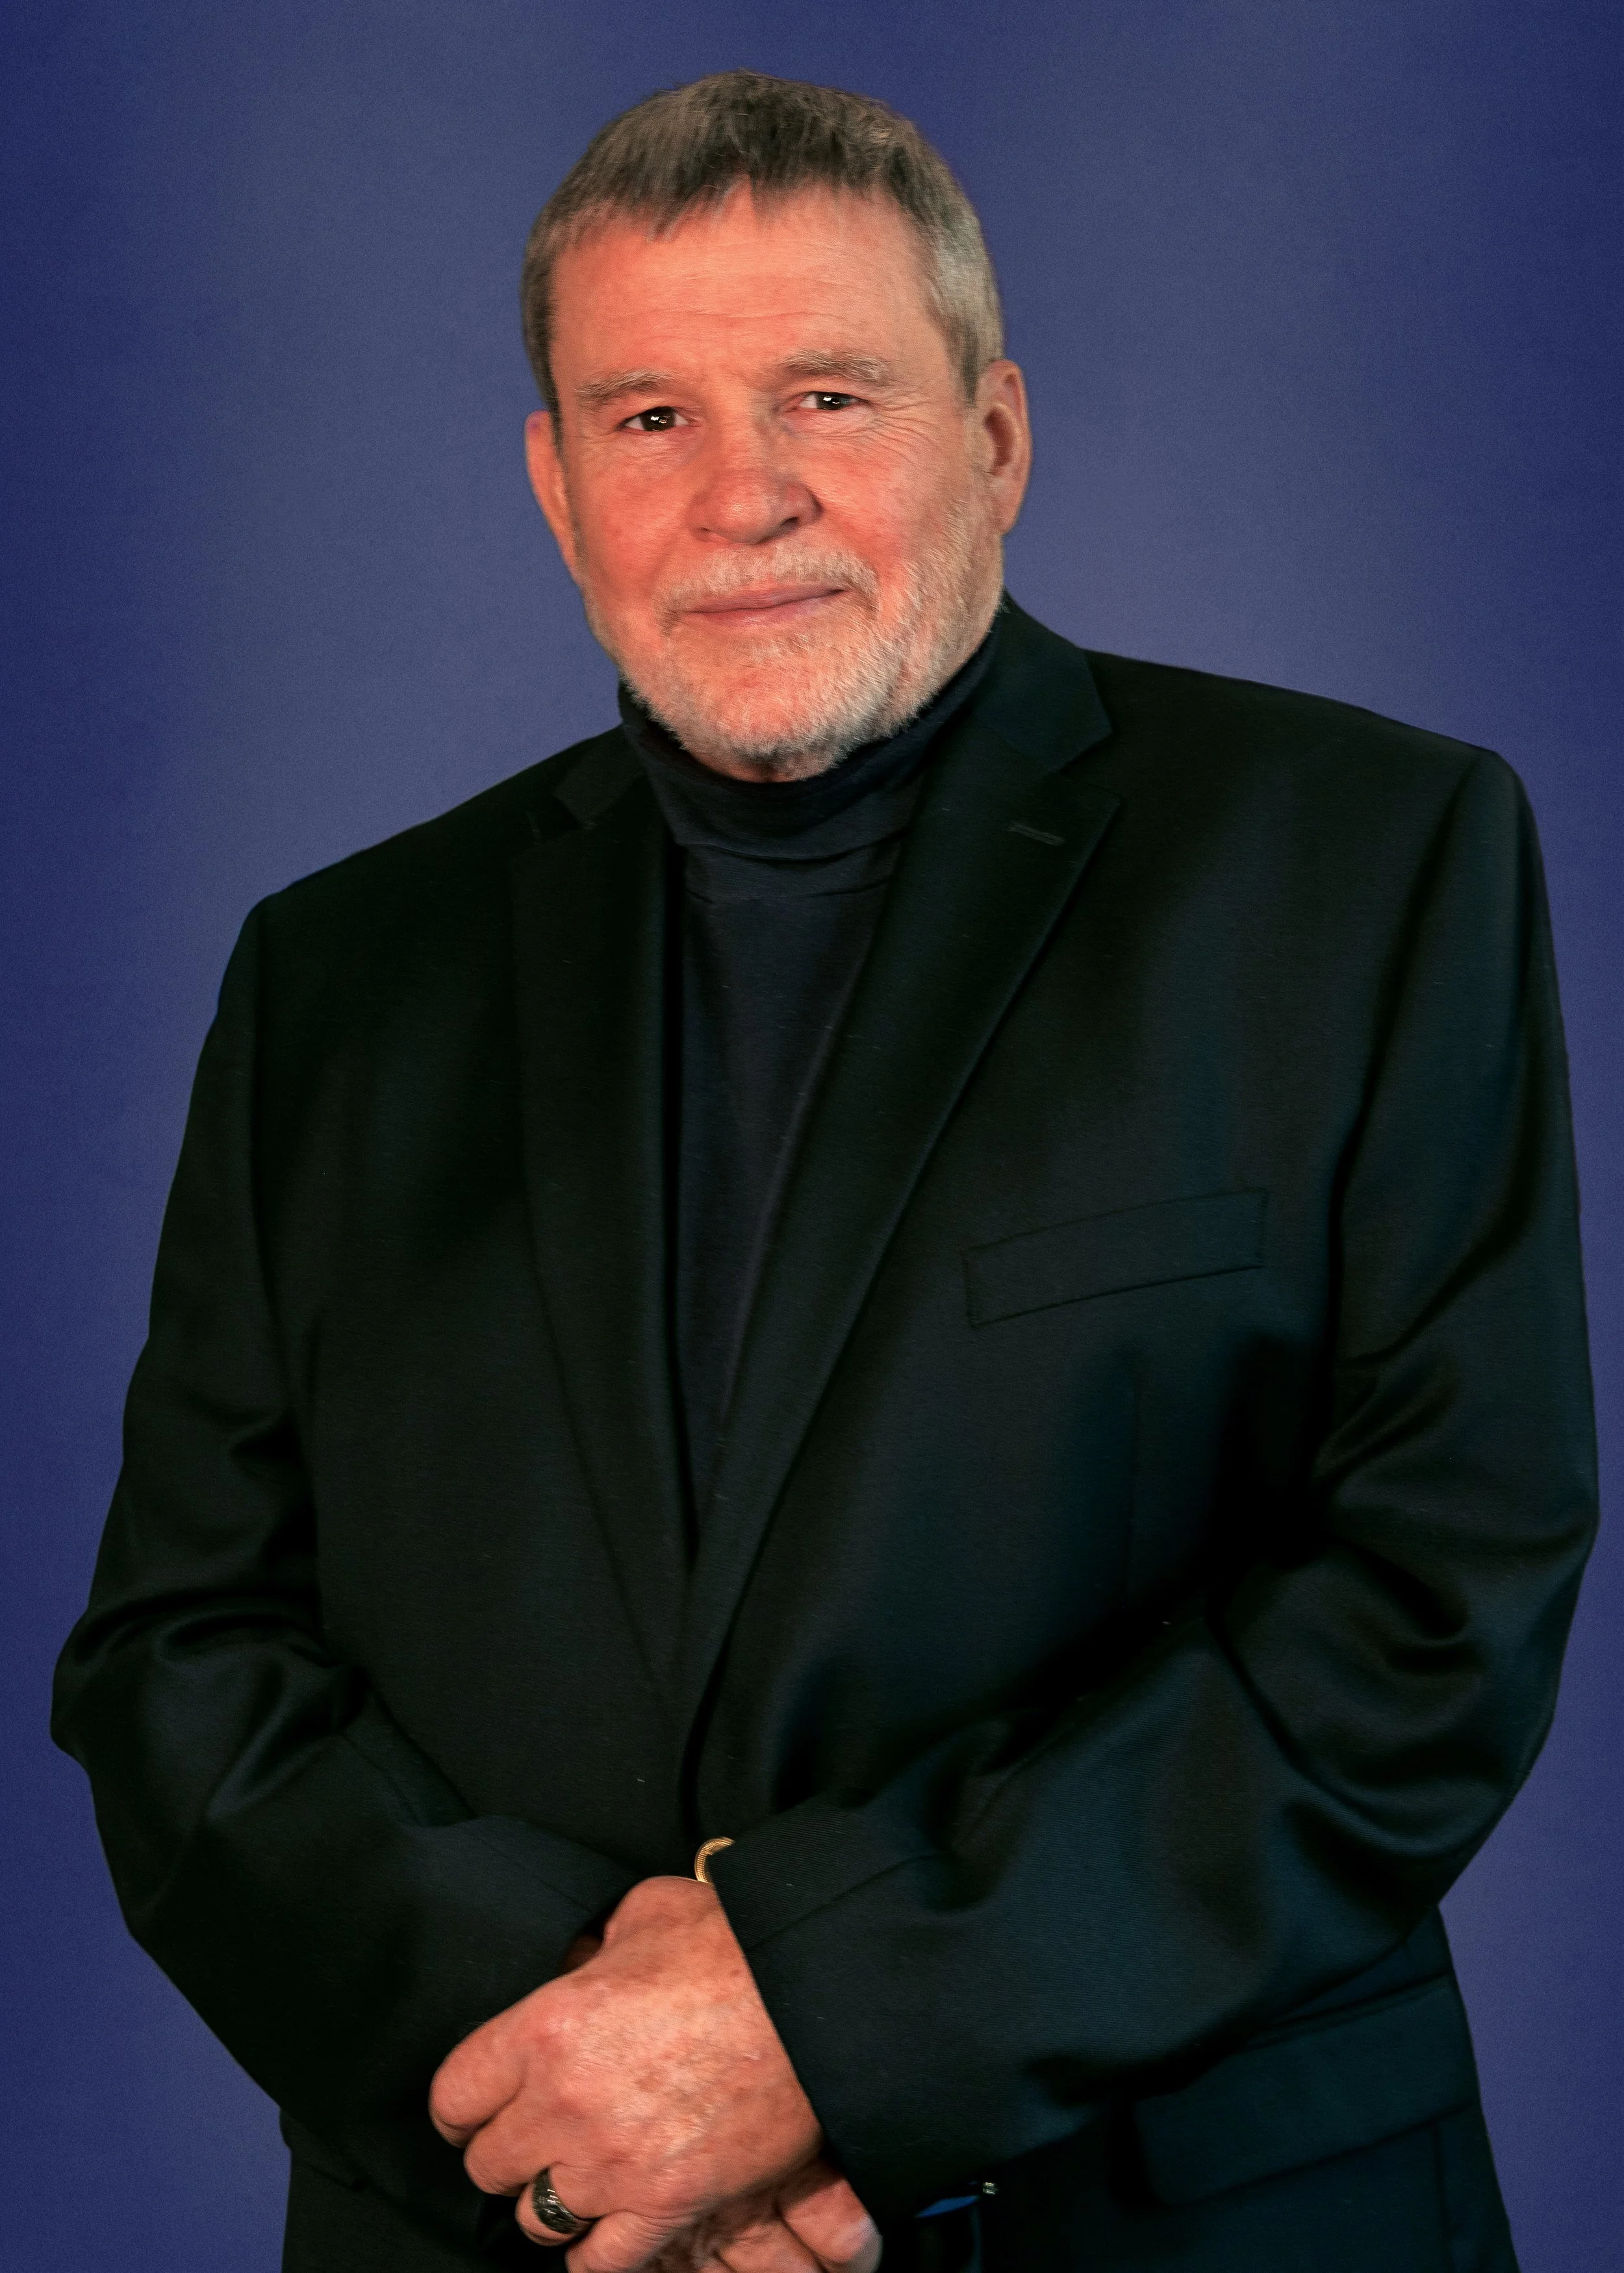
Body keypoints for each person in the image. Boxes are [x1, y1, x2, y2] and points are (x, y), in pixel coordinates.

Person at [53, 70, 1596, 2273]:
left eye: (830, 395)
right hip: (511, 2214)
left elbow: (1433, 1605)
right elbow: (180, 1659)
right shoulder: (336, 975)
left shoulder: (1361, 862)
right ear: (552, 485)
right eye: (647, 417)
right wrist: (586, 2084)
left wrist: (817, 2025)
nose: (740, 497)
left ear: (993, 438)